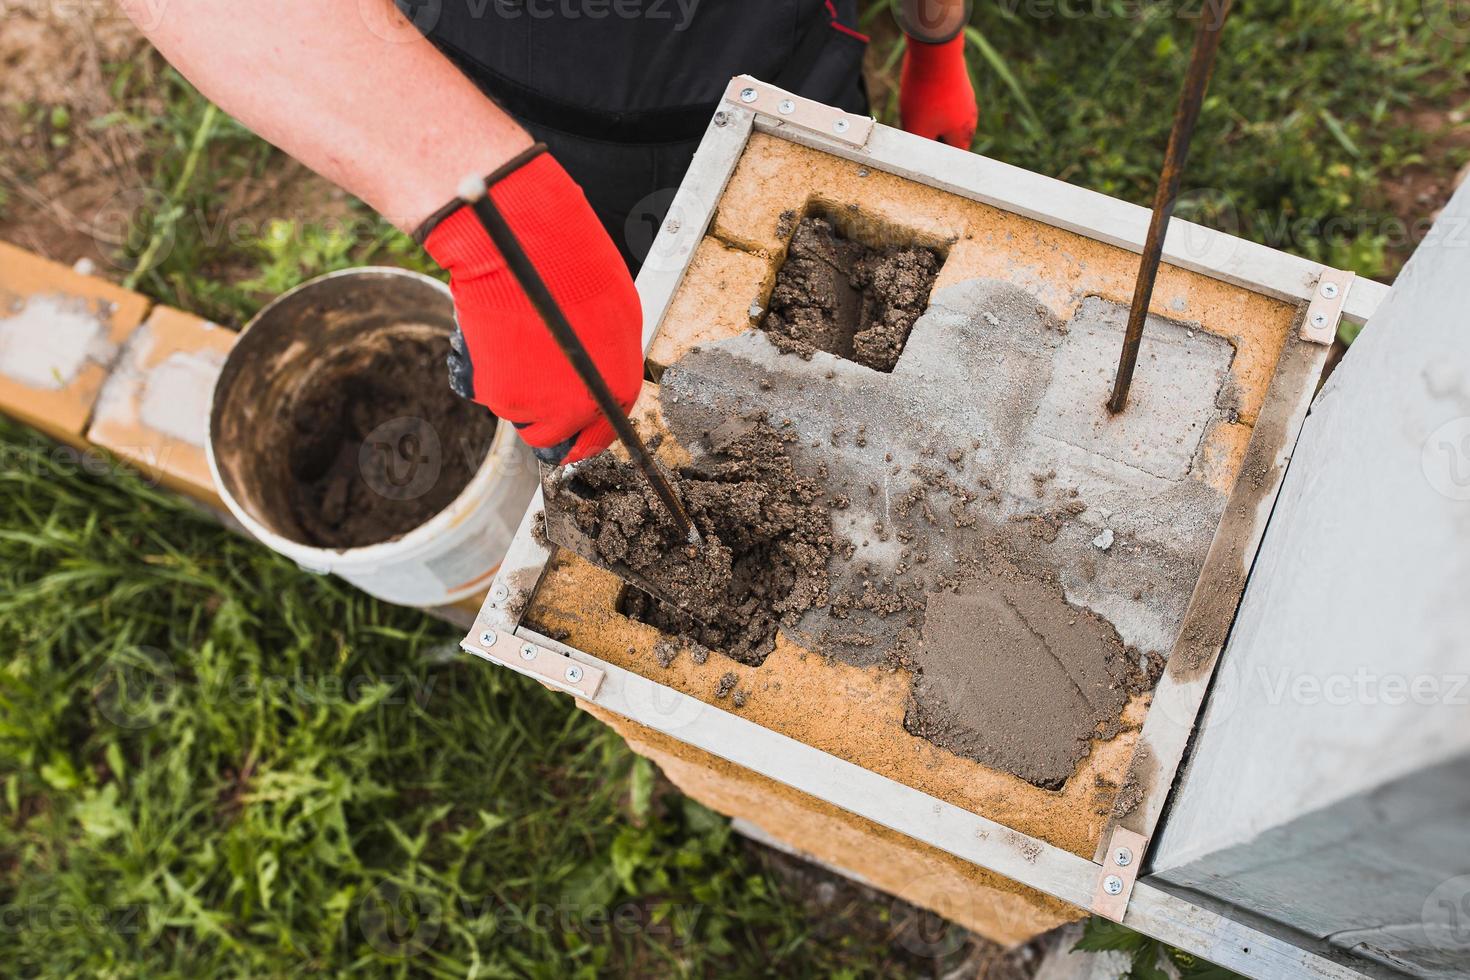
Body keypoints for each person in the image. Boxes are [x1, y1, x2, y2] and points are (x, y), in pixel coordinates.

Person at [121, 0, 977, 463]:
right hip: (523, 126)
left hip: (795, 71)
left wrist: (937, 36)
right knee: (618, 422)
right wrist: (488, 215)